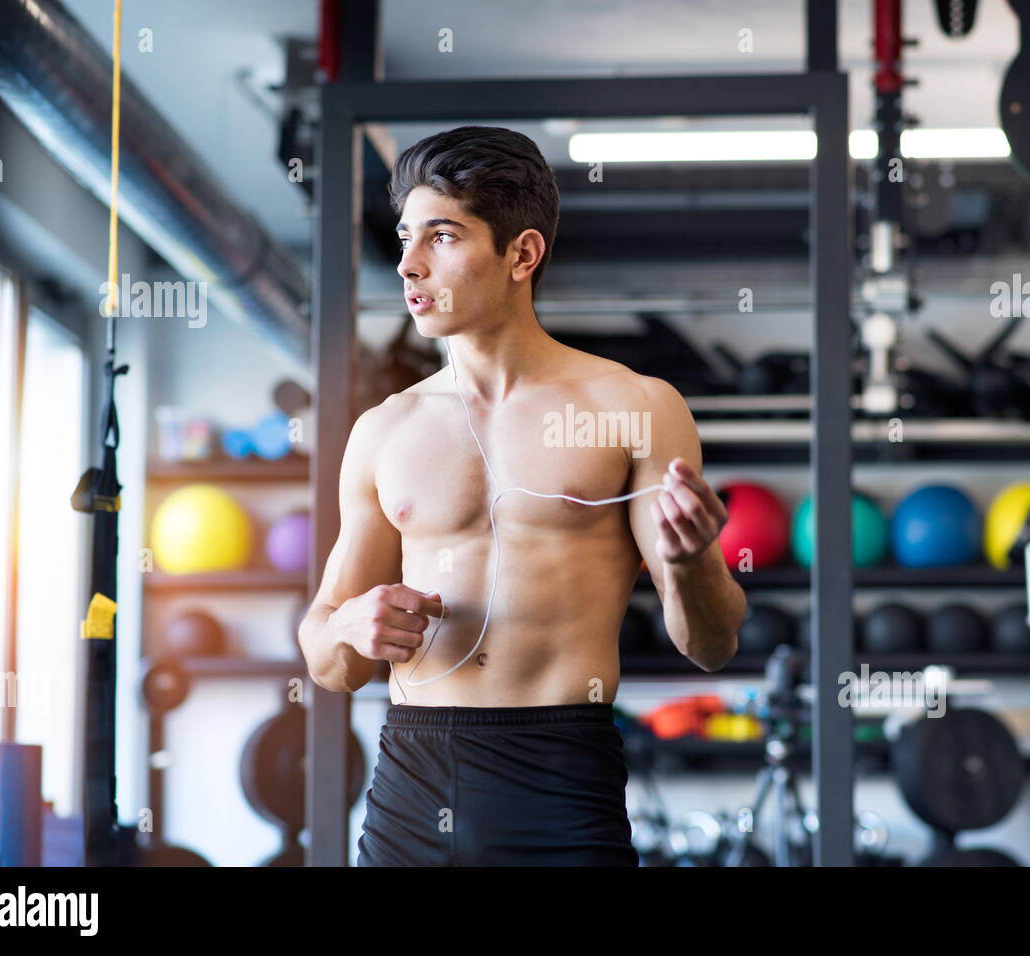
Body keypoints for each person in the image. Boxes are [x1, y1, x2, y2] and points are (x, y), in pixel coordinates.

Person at [299, 126, 746, 866]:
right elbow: (329, 664)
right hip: (412, 783)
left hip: (559, 777)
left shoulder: (632, 406)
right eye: (408, 237)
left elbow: (710, 645)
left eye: (442, 236)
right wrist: (348, 627)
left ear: (522, 253)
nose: (410, 264)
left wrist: (696, 560)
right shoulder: (384, 430)